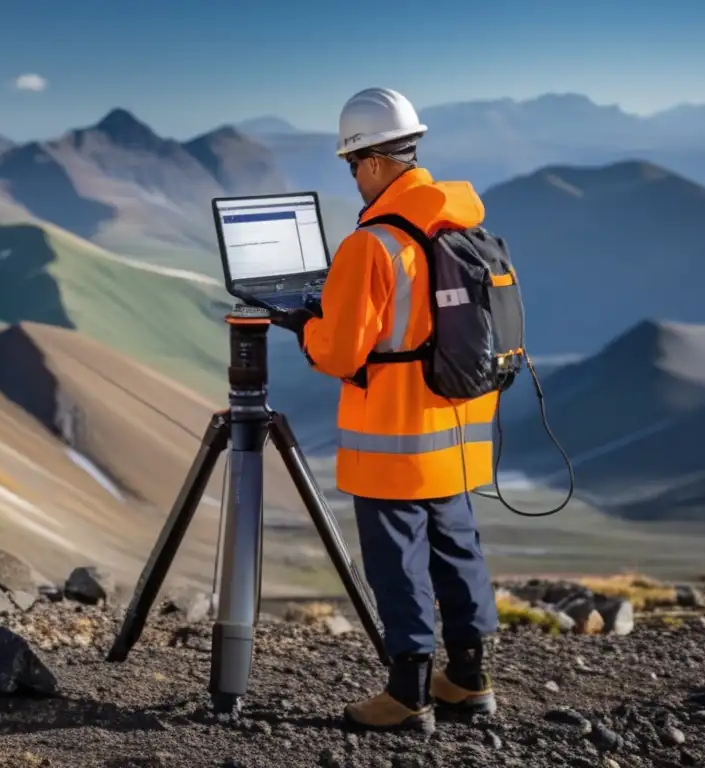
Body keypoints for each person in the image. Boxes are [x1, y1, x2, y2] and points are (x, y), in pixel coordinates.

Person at [270, 87, 500, 732]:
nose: (354, 178)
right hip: (456, 426)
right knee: (458, 549)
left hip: (394, 435)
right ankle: (469, 681)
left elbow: (342, 354)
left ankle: (407, 697)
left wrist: (303, 325)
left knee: (398, 560)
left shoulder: (370, 244)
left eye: (351, 165)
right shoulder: (459, 221)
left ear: (371, 161)